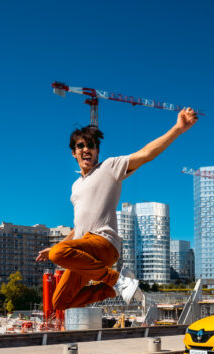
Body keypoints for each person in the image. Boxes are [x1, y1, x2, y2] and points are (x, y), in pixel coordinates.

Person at [36, 107, 198, 311]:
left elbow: (146, 154)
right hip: (85, 251)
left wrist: (177, 128)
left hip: (104, 243)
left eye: (92, 145)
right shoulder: (75, 186)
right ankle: (111, 289)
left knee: (58, 255)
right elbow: (78, 228)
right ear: (74, 152)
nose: (86, 149)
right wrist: (59, 248)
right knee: (59, 302)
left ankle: (117, 281)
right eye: (81, 146)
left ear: (97, 150)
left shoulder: (109, 167)